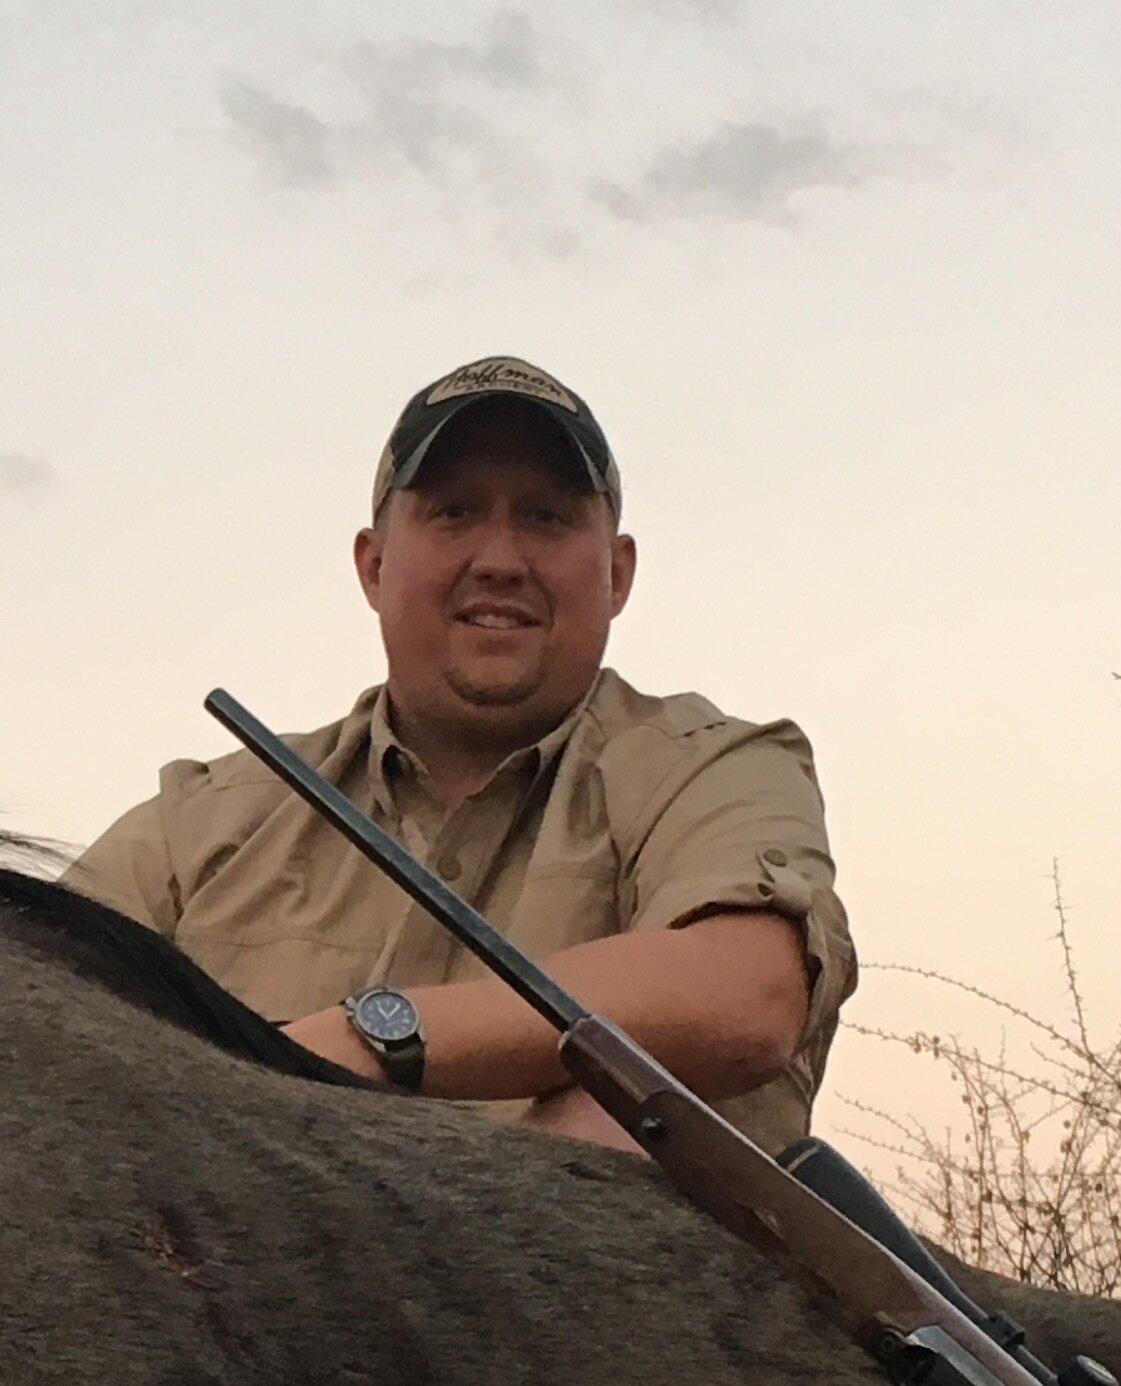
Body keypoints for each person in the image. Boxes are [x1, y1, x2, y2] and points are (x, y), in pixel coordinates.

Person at [68, 353, 853, 1152]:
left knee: (629, 1108)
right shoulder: (193, 824)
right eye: (453, 513)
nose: (500, 560)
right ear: (373, 565)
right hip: (208, 1269)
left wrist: (364, 1040)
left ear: (617, 575)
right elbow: (20, 1015)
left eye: (547, 517)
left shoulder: (714, 768)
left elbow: (743, 994)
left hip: (584, 1271)